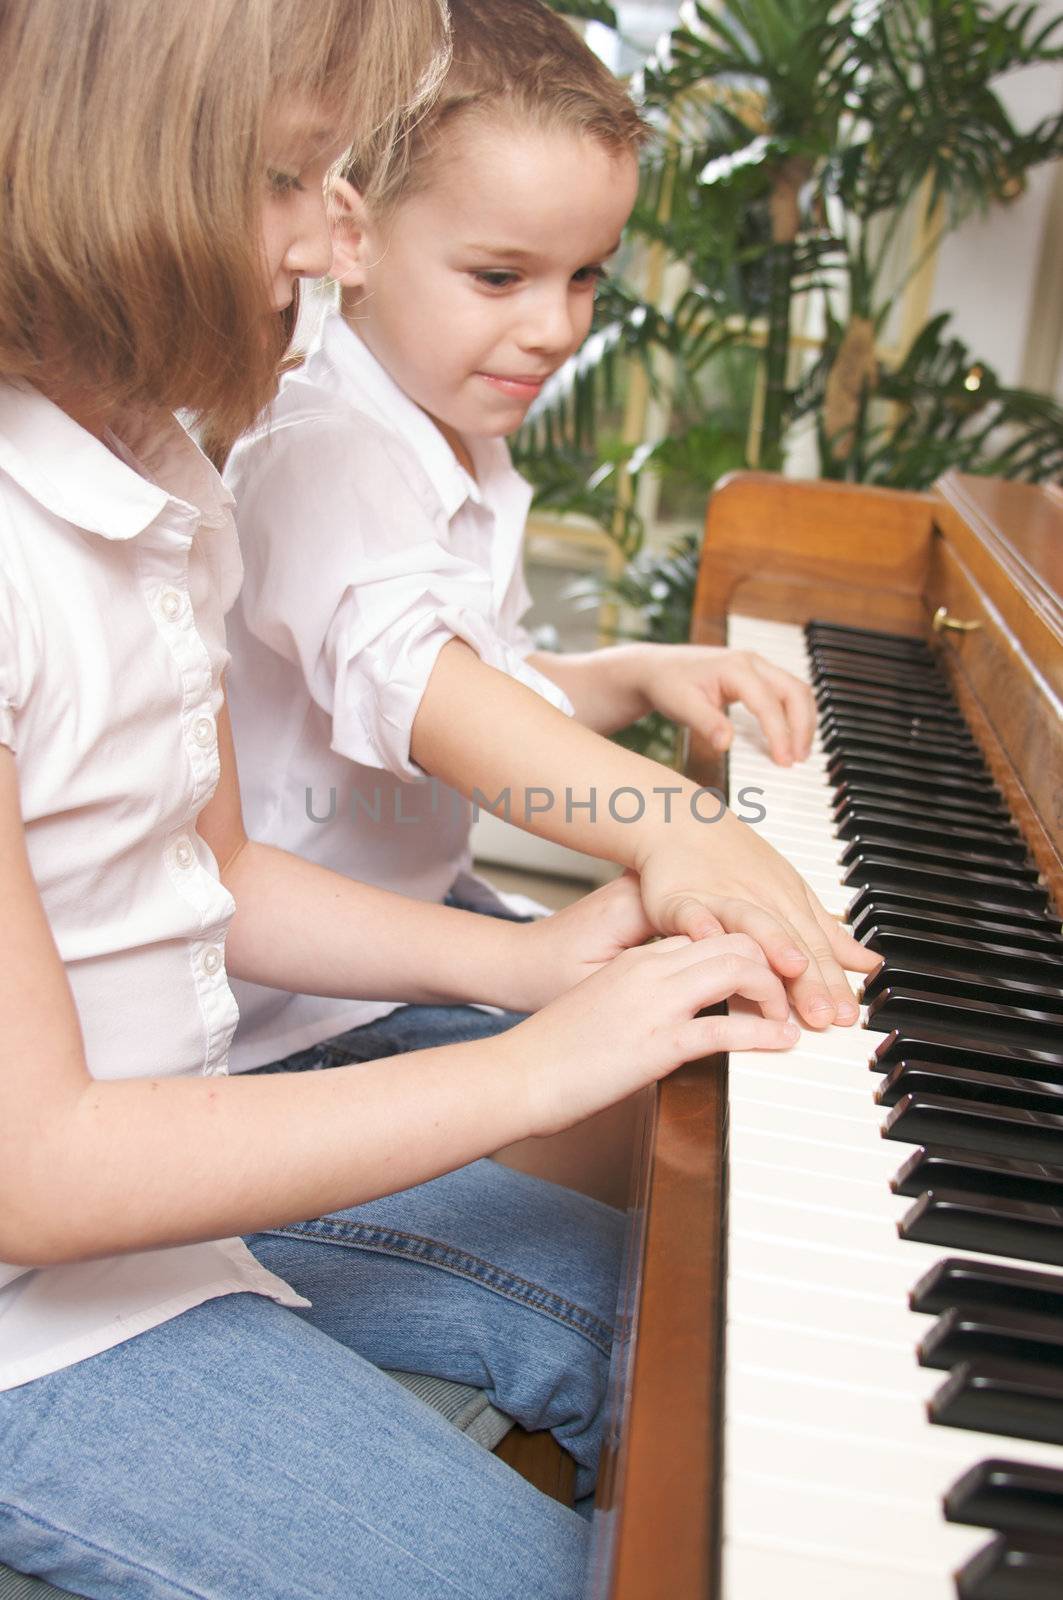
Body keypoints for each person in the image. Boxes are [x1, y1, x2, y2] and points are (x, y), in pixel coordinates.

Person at [0, 4, 801, 1597]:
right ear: (116, 178)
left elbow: (209, 862)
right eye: (297, 176)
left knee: (709, 1340)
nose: (340, 243)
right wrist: (534, 1068)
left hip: (169, 1192)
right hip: (40, 1298)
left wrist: (521, 971)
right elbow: (41, 1167)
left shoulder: (160, 469)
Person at [223, 0, 879, 1082]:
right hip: (299, 1025)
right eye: (499, 276)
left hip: (412, 925)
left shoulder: (451, 432)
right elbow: (430, 692)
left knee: (711, 1056)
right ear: (354, 235)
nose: (557, 327)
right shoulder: (321, 441)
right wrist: (669, 815)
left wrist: (632, 672)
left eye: (585, 276)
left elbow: (488, 679)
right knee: (674, 1134)